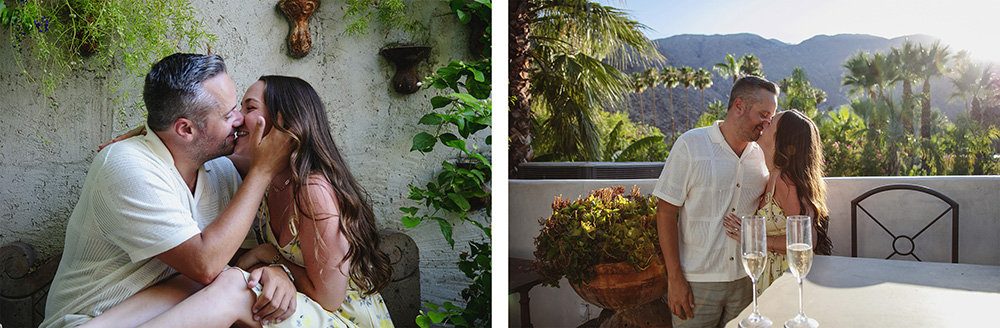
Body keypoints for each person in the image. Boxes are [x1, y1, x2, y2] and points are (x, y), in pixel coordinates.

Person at [83, 76, 396, 328]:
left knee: (233, 285)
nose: (235, 119)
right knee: (191, 282)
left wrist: (276, 266)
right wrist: (154, 135)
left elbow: (328, 296)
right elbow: (197, 141)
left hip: (340, 317)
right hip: (296, 304)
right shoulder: (264, 174)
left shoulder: (312, 189)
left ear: (284, 123)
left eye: (248, 106)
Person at [42, 53, 297, 328]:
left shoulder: (221, 170)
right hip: (94, 320)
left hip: (175, 311)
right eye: (228, 114)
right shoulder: (127, 166)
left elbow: (233, 260)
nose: (239, 120)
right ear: (185, 129)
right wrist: (261, 173)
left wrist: (277, 271)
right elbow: (206, 266)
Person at [652, 75, 778, 327]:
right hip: (696, 284)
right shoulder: (690, 145)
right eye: (764, 114)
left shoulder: (763, 155)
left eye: (771, 117)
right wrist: (674, 279)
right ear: (739, 106)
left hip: (747, 282)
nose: (768, 122)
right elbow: (665, 212)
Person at [721, 109, 832, 295]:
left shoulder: (785, 181)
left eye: (771, 123)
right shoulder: (772, 175)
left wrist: (753, 240)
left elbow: (806, 241)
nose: (765, 123)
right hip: (771, 273)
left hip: (785, 276)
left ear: (780, 139)